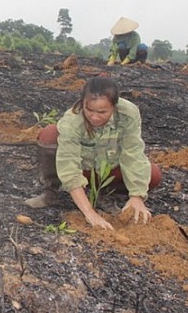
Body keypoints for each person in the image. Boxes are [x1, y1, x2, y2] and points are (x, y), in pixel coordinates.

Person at [23, 76, 162, 230]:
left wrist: (137, 196)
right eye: (89, 110)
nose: (95, 117)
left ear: (114, 106)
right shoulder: (73, 120)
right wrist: (90, 214)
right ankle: (51, 193)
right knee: (49, 134)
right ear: (82, 103)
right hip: (83, 170)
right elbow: (69, 168)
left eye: (102, 112)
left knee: (153, 173)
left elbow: (133, 154)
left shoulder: (128, 115)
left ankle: (108, 196)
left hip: (110, 170)